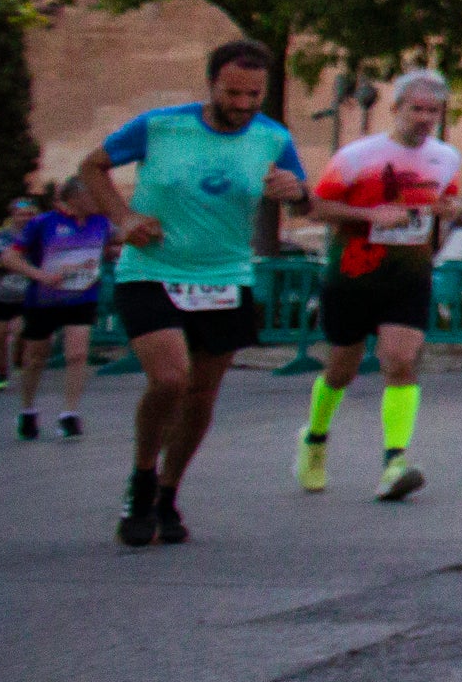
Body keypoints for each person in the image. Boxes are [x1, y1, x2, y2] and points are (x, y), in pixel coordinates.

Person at [84, 40, 311, 549]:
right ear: (211, 84)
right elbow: (90, 167)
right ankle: (141, 481)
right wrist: (122, 219)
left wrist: (296, 192)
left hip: (225, 276)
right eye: (233, 93)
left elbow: (302, 199)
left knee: (202, 395)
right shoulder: (160, 125)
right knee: (169, 379)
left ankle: (169, 492)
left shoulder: (273, 138)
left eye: (254, 94)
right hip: (152, 268)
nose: (244, 104)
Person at [298, 70, 462, 500]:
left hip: (408, 274)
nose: (425, 118)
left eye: (433, 110)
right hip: (353, 274)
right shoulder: (357, 156)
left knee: (401, 362)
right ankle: (315, 438)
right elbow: (315, 208)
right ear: (396, 109)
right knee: (342, 369)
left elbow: (444, 199)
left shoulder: (446, 157)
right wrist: (371, 215)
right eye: (416, 109)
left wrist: (449, 208)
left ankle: (395, 462)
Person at [10, 181, 112, 441]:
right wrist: (39, 275)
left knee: (77, 354)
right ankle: (28, 409)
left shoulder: (100, 222)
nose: (97, 201)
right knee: (35, 358)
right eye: (92, 195)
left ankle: (69, 414)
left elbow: (120, 241)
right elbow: (9, 257)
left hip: (83, 296)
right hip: (44, 300)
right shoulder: (43, 223)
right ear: (76, 197)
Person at [0, 196, 44, 391]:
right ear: (12, 215)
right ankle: (1, 374)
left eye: (29, 214)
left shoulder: (41, 236)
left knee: (21, 332)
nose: (25, 218)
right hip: (0, 294)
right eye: (20, 214)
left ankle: (20, 362)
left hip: (27, 294)